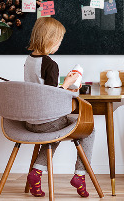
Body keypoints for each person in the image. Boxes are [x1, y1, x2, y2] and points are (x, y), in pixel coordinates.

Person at [24, 17, 95, 198]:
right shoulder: (50, 64)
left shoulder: (29, 60)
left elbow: (41, 89)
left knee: (54, 133)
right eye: (59, 41)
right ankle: (80, 175)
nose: (59, 45)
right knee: (89, 129)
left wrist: (65, 85)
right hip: (47, 121)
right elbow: (52, 96)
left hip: (30, 121)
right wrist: (68, 83)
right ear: (50, 40)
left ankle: (37, 173)